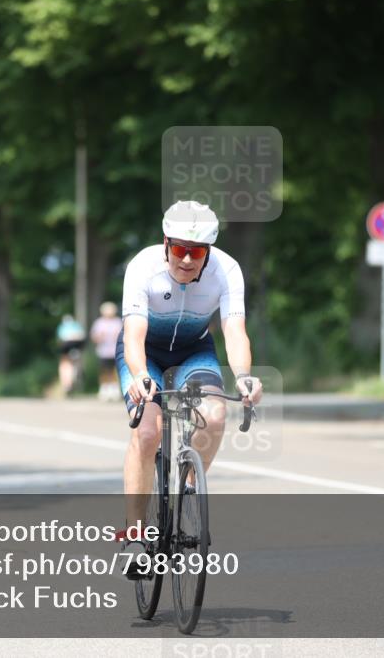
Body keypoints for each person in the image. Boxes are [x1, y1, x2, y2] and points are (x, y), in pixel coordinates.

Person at [115, 200, 264, 570]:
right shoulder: (142, 268)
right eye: (179, 249)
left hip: (194, 350)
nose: (186, 260)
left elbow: (234, 331)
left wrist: (244, 377)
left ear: (208, 251)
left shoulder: (227, 271)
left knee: (214, 415)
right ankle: (135, 536)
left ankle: (187, 495)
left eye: (196, 252)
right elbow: (133, 335)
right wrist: (139, 375)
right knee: (148, 432)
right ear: (165, 243)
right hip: (144, 353)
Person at [90, 302, 123, 400]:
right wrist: (99, 337)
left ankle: (115, 390)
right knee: (104, 371)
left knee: (115, 371)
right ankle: (104, 389)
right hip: (103, 351)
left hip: (115, 351)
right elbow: (94, 337)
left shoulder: (118, 322)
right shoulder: (99, 322)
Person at [56, 314, 86, 395]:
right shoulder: (76, 326)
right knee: (76, 360)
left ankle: (67, 383)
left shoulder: (62, 327)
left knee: (65, 362)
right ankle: (76, 374)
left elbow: (60, 339)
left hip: (67, 345)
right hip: (78, 344)